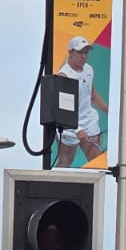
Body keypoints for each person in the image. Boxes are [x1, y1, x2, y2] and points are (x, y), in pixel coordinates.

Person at [52, 35, 108, 167]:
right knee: (66, 160)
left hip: (89, 120)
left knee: (96, 160)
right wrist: (77, 129)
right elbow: (63, 110)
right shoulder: (64, 76)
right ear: (70, 52)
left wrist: (109, 110)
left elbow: (92, 95)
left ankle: (94, 187)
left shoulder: (89, 69)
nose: (83, 56)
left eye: (86, 52)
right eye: (79, 52)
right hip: (68, 124)